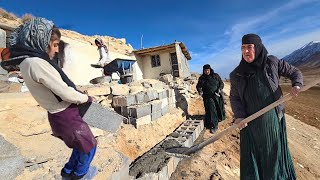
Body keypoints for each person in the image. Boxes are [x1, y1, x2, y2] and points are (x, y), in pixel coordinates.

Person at [8, 17, 97, 179]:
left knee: (80, 144)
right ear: (42, 41)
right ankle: (80, 175)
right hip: (66, 115)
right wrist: (87, 99)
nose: (56, 50)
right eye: (55, 45)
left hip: (58, 114)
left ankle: (68, 172)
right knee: (89, 146)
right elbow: (64, 92)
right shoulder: (36, 63)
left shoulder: (27, 63)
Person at [230, 33, 303, 180]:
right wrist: (239, 116)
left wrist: (297, 84)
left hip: (272, 120)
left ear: (257, 47)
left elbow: (294, 72)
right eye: (243, 48)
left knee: (273, 158)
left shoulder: (272, 63)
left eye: (249, 47)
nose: (245, 51)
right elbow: (235, 97)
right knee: (253, 160)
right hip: (249, 123)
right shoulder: (237, 74)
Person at [196, 64, 225, 134]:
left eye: (208, 70)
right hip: (208, 97)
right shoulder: (202, 78)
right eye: (205, 70)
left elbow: (221, 83)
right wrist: (200, 91)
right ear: (203, 71)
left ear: (210, 69)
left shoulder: (215, 76)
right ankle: (213, 126)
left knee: (219, 108)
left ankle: (219, 119)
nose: (207, 72)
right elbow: (198, 86)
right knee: (211, 111)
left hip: (217, 96)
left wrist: (219, 89)